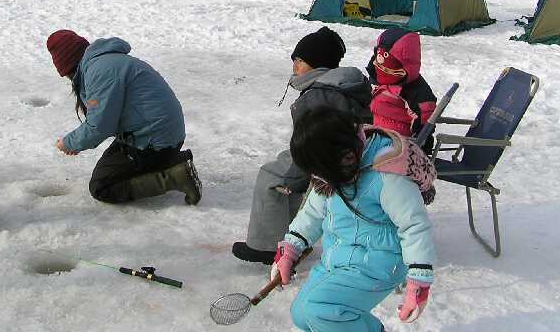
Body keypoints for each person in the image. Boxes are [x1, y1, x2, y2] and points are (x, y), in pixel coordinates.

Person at [272, 106, 435, 332]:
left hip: (379, 262)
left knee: (320, 310)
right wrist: (291, 247)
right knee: (302, 314)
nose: (320, 179)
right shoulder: (332, 168)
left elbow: (414, 225)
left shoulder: (386, 173)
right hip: (337, 257)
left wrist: (419, 281)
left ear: (346, 157)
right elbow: (313, 211)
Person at [232, 26, 371, 265]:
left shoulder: (317, 95)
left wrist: (296, 176)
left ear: (317, 65)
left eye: (300, 61)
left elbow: (312, 145)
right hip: (347, 154)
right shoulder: (341, 85)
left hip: (325, 160)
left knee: (270, 176)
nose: (295, 66)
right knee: (284, 167)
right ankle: (297, 238)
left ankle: (266, 246)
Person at [46, 30, 201, 205]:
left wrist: (69, 143)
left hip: (155, 141)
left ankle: (175, 176)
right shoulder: (104, 62)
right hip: (158, 134)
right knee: (109, 169)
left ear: (69, 66)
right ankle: (169, 164)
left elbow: (100, 125)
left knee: (102, 186)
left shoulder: (99, 71)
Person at [366, 28, 437, 154]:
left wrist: (419, 147)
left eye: (387, 69)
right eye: (379, 65)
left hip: (399, 147)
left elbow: (423, 125)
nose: (380, 68)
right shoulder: (378, 79)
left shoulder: (415, 92)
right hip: (378, 136)